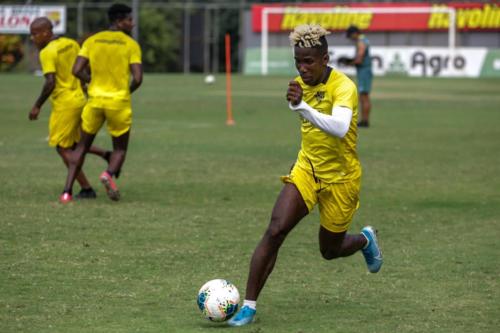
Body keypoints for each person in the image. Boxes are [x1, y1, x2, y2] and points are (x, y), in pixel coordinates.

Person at [228, 24, 382, 327]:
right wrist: (300, 104)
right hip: (307, 169)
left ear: (325, 58)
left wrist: (302, 107)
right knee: (275, 230)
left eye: (308, 61)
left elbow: (339, 128)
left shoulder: (344, 87)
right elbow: (304, 109)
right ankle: (248, 306)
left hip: (341, 178)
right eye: (298, 61)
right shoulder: (299, 84)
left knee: (330, 250)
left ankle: (365, 240)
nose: (302, 67)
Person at [61, 3, 143, 202]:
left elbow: (76, 70)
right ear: (119, 21)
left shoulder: (93, 40)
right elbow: (138, 78)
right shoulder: (131, 44)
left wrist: (92, 82)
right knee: (120, 149)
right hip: (118, 103)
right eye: (129, 20)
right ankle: (108, 174)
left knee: (80, 147)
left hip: (95, 101)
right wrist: (125, 92)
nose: (132, 24)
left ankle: (67, 192)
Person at [29, 17, 112, 201]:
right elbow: (83, 67)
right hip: (80, 99)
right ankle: (106, 154)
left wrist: (37, 105)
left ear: (45, 32)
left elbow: (50, 82)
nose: (32, 38)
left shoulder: (47, 52)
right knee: (75, 144)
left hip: (65, 104)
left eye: (34, 34)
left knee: (62, 148)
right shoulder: (71, 43)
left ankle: (85, 188)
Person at [338, 25, 373, 128]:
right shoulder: (364, 39)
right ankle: (364, 120)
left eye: (350, 35)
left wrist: (349, 62)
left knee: (364, 96)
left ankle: (365, 121)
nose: (350, 38)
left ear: (354, 33)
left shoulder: (361, 41)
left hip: (364, 72)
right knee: (363, 96)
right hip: (364, 71)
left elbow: (359, 59)